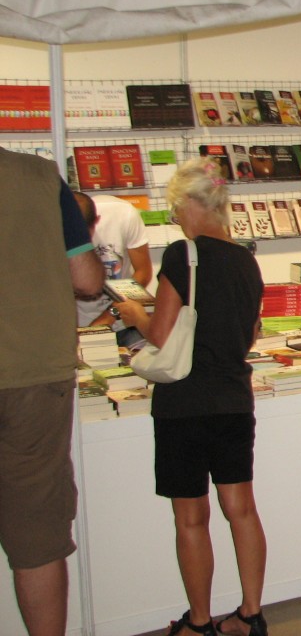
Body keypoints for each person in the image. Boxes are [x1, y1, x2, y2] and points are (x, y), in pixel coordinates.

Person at [116, 158, 267, 636]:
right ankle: (251, 614)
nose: (176, 218)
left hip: (184, 403)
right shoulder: (246, 259)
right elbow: (250, 333)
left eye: (176, 209)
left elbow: (161, 334)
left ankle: (199, 622)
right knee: (242, 509)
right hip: (233, 398)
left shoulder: (184, 255)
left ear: (190, 204)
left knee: (191, 518)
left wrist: (135, 314)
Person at [0, 148, 104, 636]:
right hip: (33, 376)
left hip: (33, 375)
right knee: (38, 536)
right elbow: (87, 280)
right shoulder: (39, 177)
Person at [73, 192, 153, 346]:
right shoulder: (48, 228)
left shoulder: (123, 214)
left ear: (97, 221)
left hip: (124, 322)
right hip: (78, 326)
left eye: (84, 235)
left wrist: (109, 316)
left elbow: (143, 272)